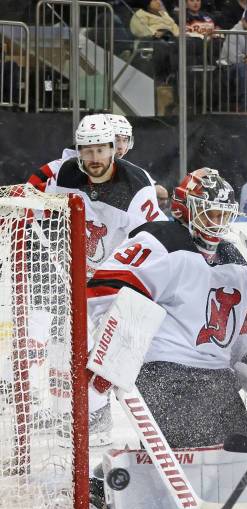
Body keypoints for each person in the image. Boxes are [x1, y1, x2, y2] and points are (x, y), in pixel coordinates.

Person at [86, 168, 247, 450]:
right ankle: (115, 481)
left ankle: (115, 477)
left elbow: (236, 326)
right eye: (209, 213)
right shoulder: (160, 241)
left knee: (242, 457)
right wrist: (119, 350)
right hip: (165, 373)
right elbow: (101, 293)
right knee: (196, 454)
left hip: (217, 378)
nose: (217, 222)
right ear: (184, 210)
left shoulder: (238, 265)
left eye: (223, 214)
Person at [27, 114, 167, 446]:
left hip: (116, 280)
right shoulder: (65, 172)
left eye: (101, 151)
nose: (94, 159)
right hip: (75, 275)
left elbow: (152, 239)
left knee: (111, 349)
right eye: (86, 151)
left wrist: (125, 282)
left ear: (112, 150)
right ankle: (70, 409)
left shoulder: (136, 186)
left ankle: (101, 414)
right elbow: (34, 188)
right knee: (66, 343)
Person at [130, 0, 179, 83]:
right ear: (148, 3)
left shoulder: (164, 14)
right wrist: (155, 33)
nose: (159, 2)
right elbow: (138, 29)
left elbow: (174, 27)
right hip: (151, 43)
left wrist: (174, 33)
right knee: (161, 45)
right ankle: (161, 79)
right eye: (155, 0)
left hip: (170, 38)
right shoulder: (140, 14)